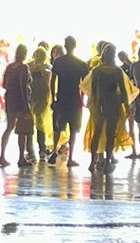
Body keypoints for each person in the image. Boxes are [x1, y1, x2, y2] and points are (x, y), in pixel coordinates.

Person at [85, 43, 130, 181]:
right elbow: (123, 90)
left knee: (97, 133)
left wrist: (92, 102)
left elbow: (91, 90)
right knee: (111, 134)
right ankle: (108, 161)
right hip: (113, 104)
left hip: (100, 105)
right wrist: (126, 106)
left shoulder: (97, 71)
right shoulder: (117, 72)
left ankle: (93, 161)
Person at [49, 34, 87, 166]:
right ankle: (70, 157)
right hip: (74, 98)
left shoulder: (59, 62)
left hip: (62, 97)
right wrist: (82, 98)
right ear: (75, 46)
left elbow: (52, 80)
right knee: (73, 129)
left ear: (65, 46)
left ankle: (54, 150)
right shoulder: (80, 64)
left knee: (58, 126)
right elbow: (84, 84)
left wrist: (53, 97)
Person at [0, 42, 34, 164]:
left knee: (9, 127)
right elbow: (23, 86)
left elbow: (4, 84)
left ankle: (2, 155)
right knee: (22, 130)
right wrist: (26, 105)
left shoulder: (9, 67)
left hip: (10, 99)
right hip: (19, 100)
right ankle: (21, 157)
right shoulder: (23, 68)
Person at [27, 41, 53, 161]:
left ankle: (29, 149)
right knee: (40, 122)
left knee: (30, 122)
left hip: (30, 97)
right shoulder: (47, 68)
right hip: (43, 97)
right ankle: (42, 149)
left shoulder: (28, 67)